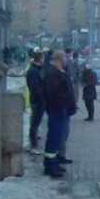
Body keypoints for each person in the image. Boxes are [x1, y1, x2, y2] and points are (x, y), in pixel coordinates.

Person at [42, 50, 78, 178]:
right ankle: (50, 166)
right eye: (65, 58)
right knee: (54, 138)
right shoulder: (52, 73)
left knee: (58, 138)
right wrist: (62, 104)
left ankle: (54, 162)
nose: (67, 60)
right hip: (56, 109)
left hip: (61, 109)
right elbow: (54, 93)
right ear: (59, 59)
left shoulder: (59, 72)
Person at [25, 51, 46, 154]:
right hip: (37, 101)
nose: (44, 60)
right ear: (40, 59)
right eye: (43, 58)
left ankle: (34, 144)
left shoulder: (36, 70)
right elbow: (35, 88)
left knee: (35, 123)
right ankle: (34, 146)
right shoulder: (34, 71)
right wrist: (42, 98)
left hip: (38, 100)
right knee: (35, 123)